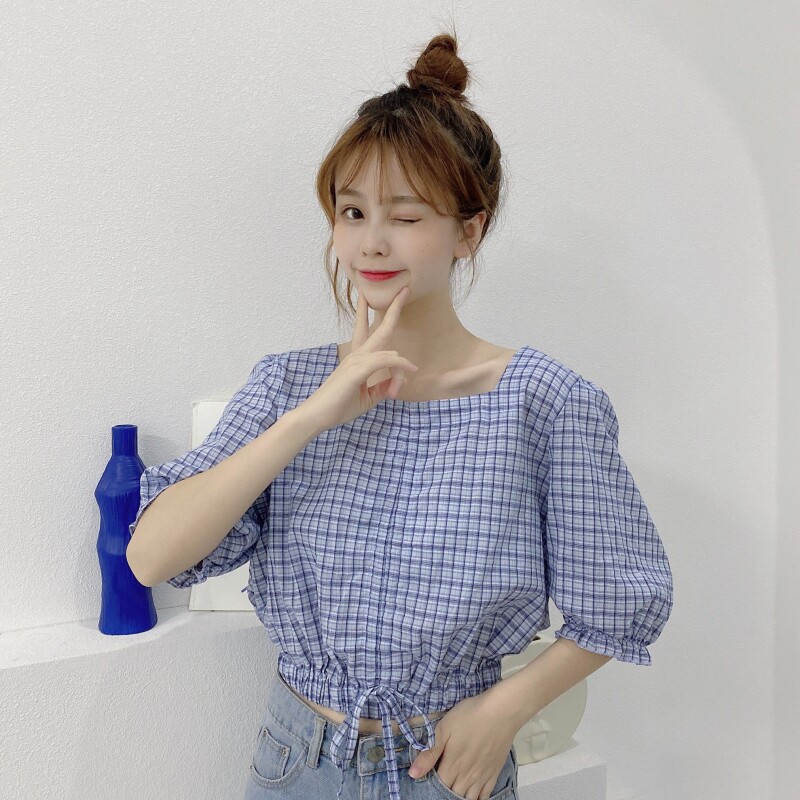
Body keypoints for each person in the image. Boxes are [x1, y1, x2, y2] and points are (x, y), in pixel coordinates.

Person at [126, 29, 674, 800]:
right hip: (296, 761)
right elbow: (151, 558)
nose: (371, 243)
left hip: (444, 767)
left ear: (468, 230)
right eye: (352, 212)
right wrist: (312, 416)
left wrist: (502, 713)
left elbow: (618, 603)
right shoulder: (288, 386)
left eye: (406, 217)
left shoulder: (544, 402)